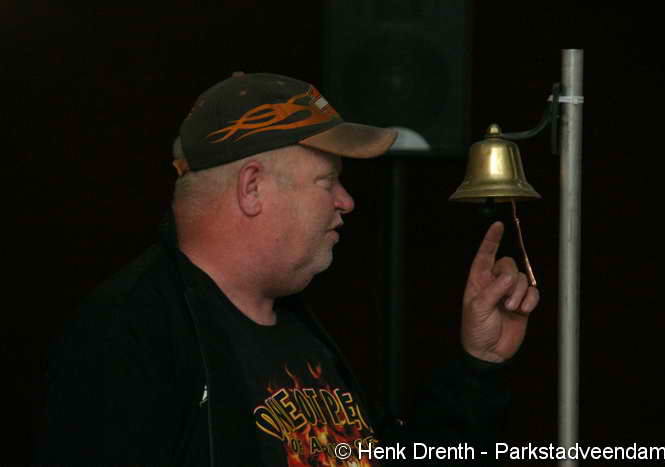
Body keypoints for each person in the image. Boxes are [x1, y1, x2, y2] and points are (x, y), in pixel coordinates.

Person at [41, 72, 539, 466]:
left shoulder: (300, 326)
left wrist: (479, 365)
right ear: (252, 188)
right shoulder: (129, 334)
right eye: (327, 181)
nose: (346, 201)